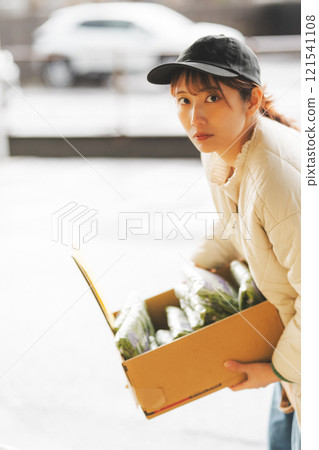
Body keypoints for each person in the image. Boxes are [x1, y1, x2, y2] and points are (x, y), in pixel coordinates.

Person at [147, 35, 300, 450]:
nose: (195, 117)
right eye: (183, 100)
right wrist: (196, 275)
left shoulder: (279, 180)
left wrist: (276, 371)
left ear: (251, 100)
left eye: (212, 98)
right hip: (295, 346)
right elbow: (235, 223)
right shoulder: (221, 148)